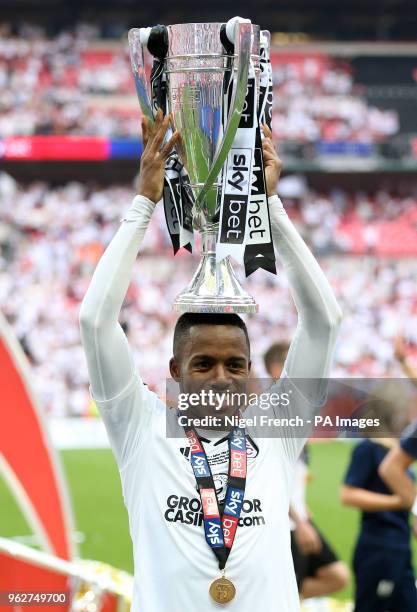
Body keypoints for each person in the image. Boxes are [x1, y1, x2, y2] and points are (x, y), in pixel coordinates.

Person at [79, 108, 342, 611]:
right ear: (176, 372)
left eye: (235, 365)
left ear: (249, 371)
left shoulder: (278, 431)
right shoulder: (139, 426)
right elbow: (96, 322)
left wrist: (271, 208)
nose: (221, 379)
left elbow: (323, 322)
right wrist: (143, 204)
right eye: (203, 365)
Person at [264, 343, 349, 600]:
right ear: (279, 370)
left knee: (337, 576)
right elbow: (268, 479)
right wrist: (299, 522)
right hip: (284, 523)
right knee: (284, 593)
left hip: (297, 518)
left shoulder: (291, 412)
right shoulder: (270, 413)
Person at [340, 414, 417, 611]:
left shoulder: (400, 449)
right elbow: (347, 495)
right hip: (378, 546)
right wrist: (399, 501)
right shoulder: (369, 449)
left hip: (401, 546)